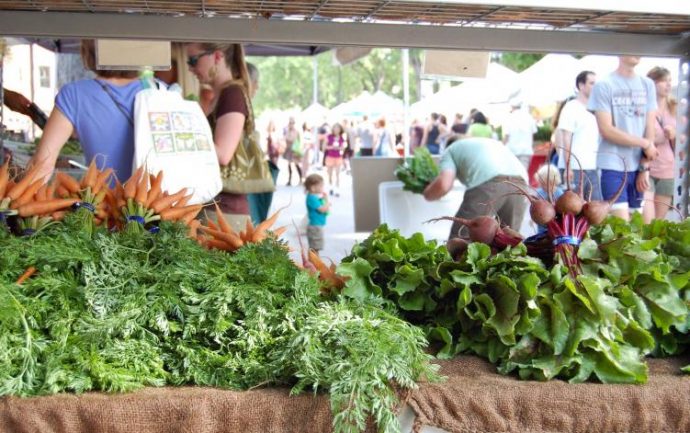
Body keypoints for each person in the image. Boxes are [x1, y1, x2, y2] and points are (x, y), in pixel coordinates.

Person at [31, 39, 143, 182]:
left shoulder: (74, 95)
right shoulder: (161, 91)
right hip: (159, 202)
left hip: (100, 201)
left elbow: (42, 165)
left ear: (87, 53)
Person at [185, 42, 253, 228]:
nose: (190, 68)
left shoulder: (232, 94)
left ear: (217, 56)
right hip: (217, 206)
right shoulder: (222, 94)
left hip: (225, 210)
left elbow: (223, 154)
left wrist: (186, 128)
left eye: (193, 60)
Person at [588, 56, 659, 221]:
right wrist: (645, 143)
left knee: (638, 226)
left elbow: (650, 127)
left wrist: (644, 167)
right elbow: (606, 129)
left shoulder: (647, 84)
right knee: (621, 228)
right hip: (611, 165)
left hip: (638, 166)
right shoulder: (604, 84)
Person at [423, 136, 528, 240]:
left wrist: (427, 193)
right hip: (521, 184)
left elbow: (443, 185)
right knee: (509, 242)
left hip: (490, 184)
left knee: (461, 238)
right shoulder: (487, 142)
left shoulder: (450, 150)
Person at [555, 70, 601, 200]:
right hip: (573, 169)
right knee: (572, 211)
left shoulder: (595, 109)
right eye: (592, 83)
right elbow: (565, 138)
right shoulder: (571, 108)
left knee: (594, 211)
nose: (595, 87)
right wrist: (568, 167)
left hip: (592, 168)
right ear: (581, 85)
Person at [642, 66, 677, 223]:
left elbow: (683, 142)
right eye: (663, 81)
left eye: (670, 81)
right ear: (652, 83)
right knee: (647, 220)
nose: (668, 85)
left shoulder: (675, 107)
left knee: (659, 222)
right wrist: (654, 138)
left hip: (668, 168)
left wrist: (674, 135)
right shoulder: (643, 107)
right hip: (646, 168)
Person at [502, 99, 537, 169]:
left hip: (512, 151)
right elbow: (532, 135)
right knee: (523, 175)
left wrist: (501, 147)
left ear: (511, 106)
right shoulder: (529, 117)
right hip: (526, 151)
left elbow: (506, 136)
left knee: (512, 174)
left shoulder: (509, 118)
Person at [534, 164, 564, 233]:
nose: (542, 186)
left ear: (554, 182)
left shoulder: (559, 193)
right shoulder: (539, 192)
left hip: (556, 223)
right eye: (541, 184)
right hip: (541, 222)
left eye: (544, 184)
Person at [304, 173, 330, 254]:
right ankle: (314, 263)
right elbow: (322, 209)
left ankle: (314, 263)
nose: (323, 188)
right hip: (315, 227)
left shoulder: (313, 197)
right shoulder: (312, 198)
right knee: (315, 248)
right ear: (313, 187)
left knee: (315, 247)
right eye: (321, 186)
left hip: (317, 226)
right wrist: (326, 201)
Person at [324, 123, 346, 196]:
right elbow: (324, 147)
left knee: (338, 174)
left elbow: (343, 147)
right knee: (330, 174)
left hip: (338, 157)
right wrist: (332, 147)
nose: (336, 130)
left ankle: (337, 189)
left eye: (338, 128)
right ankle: (331, 187)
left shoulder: (341, 138)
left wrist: (339, 148)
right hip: (330, 157)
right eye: (335, 128)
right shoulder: (329, 137)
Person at [283, 117, 304, 186]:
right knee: (289, 165)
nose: (291, 124)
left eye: (292, 123)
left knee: (296, 164)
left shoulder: (296, 131)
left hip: (294, 149)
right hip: (289, 149)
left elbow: (294, 139)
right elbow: (285, 139)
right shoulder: (287, 130)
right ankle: (289, 180)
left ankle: (301, 179)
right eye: (290, 123)